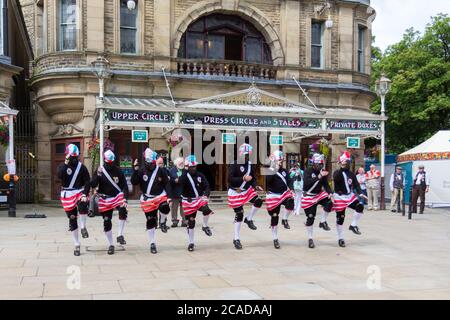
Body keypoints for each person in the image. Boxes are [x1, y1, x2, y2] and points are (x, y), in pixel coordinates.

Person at [131, 148, 171, 254]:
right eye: (148, 163)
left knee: (165, 207)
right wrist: (135, 169)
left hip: (159, 196)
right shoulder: (141, 170)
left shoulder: (160, 170)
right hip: (147, 199)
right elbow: (134, 182)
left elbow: (166, 183)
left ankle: (162, 221)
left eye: (152, 163)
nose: (150, 165)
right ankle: (152, 243)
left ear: (154, 161)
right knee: (151, 221)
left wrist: (169, 196)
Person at [91, 150, 129, 255]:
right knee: (107, 221)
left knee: (122, 209)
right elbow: (93, 184)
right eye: (108, 163)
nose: (110, 164)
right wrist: (97, 175)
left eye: (111, 162)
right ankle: (111, 244)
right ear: (105, 161)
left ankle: (120, 235)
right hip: (105, 198)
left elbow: (124, 186)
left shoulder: (118, 171)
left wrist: (125, 198)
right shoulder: (100, 170)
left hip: (117, 196)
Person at [227, 143, 264, 250]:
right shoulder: (234, 164)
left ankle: (249, 219)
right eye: (246, 154)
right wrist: (242, 179)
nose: (247, 157)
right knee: (239, 214)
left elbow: (253, 177)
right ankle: (236, 239)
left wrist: (255, 185)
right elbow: (230, 179)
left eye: (249, 155)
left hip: (246, 191)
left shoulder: (249, 165)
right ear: (241, 154)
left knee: (258, 201)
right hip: (235, 192)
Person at [57, 144, 91, 256]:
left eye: (76, 157)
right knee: (72, 219)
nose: (74, 159)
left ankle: (83, 227)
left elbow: (87, 182)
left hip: (78, 191)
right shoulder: (63, 166)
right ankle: (77, 244)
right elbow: (60, 176)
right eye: (72, 157)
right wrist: (65, 164)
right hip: (67, 193)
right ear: (67, 156)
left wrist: (85, 194)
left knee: (82, 204)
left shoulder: (82, 167)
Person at [332, 151, 368, 248]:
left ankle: (353, 225)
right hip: (339, 197)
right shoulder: (337, 173)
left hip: (349, 196)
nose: (348, 164)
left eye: (348, 162)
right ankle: (341, 238)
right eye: (346, 162)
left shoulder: (351, 174)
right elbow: (336, 179)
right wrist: (341, 166)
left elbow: (356, 184)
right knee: (340, 218)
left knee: (360, 206)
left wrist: (360, 193)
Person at [179, 155, 214, 252]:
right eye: (192, 167)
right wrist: (185, 170)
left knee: (206, 210)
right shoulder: (184, 176)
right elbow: (180, 183)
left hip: (199, 199)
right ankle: (191, 242)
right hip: (188, 201)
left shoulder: (200, 175)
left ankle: (205, 226)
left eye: (195, 166)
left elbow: (207, 186)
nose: (194, 168)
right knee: (191, 222)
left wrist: (206, 195)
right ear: (188, 167)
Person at [301, 153, 334, 249]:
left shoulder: (322, 172)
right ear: (313, 163)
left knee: (329, 201)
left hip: (318, 195)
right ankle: (310, 238)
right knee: (310, 218)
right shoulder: (307, 171)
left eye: (321, 164)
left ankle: (323, 221)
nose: (320, 166)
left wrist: (330, 193)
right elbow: (307, 184)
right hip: (308, 197)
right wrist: (319, 176)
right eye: (318, 164)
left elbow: (326, 185)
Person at [265, 151, 295, 249]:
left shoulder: (284, 171)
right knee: (274, 216)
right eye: (279, 160)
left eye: (282, 160)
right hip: (273, 196)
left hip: (283, 195)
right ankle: (275, 238)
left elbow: (289, 181)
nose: (281, 162)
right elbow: (268, 181)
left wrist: (292, 189)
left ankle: (285, 219)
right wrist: (275, 169)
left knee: (291, 201)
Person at [169, 157, 187, 227]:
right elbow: (169, 181)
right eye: (180, 163)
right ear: (176, 163)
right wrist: (174, 181)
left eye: (182, 163)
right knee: (174, 208)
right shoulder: (171, 171)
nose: (181, 164)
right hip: (174, 193)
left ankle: (184, 221)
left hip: (183, 192)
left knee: (184, 208)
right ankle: (174, 221)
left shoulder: (184, 170)